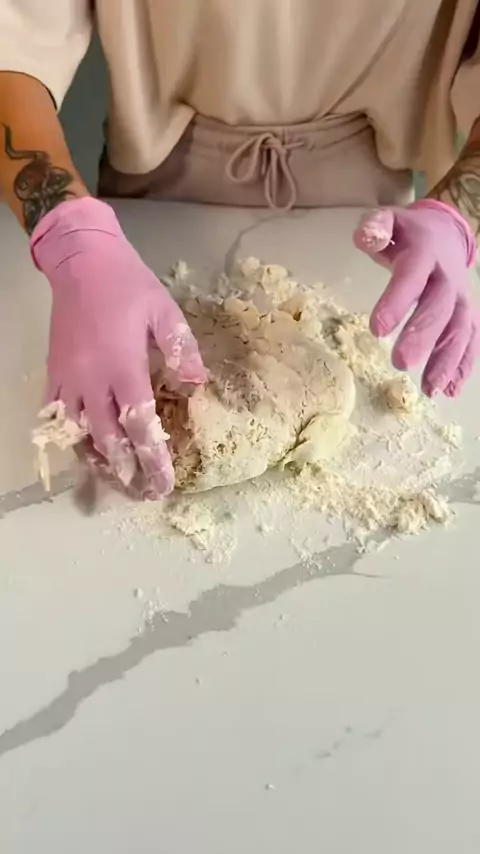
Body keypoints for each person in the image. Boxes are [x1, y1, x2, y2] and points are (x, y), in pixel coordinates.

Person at [1, 1, 479, 499]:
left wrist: (458, 217)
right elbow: (13, 43)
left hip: (375, 232)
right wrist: (72, 237)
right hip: (151, 207)